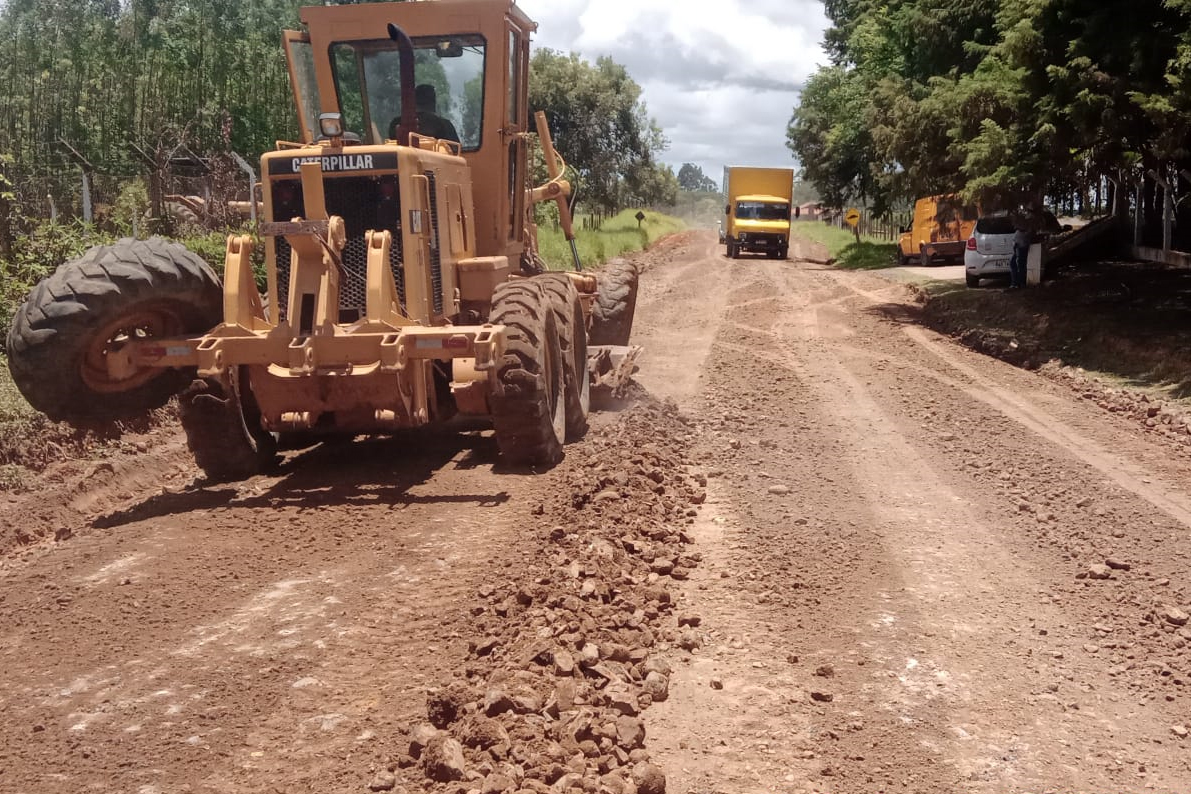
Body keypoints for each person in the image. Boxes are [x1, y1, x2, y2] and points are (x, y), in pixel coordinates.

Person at [391, 83, 460, 144]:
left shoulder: (396, 123)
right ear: (433, 103)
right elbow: (456, 153)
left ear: (412, 101)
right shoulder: (445, 125)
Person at [1009, 210, 1032, 289]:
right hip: (1019, 244)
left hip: (1021, 246)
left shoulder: (1026, 224)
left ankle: (1018, 283)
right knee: (1015, 263)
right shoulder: (1024, 221)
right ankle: (1016, 282)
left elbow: (1025, 231)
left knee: (1019, 264)